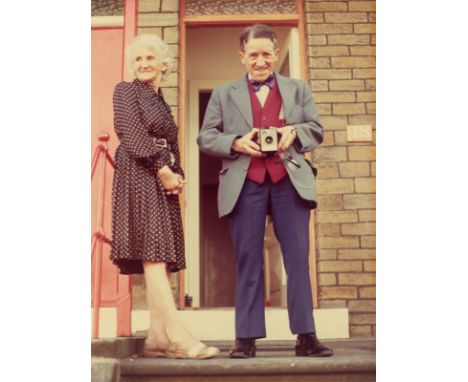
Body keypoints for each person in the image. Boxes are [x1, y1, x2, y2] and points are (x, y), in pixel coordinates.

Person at [197, 24, 333, 358]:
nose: (260, 61)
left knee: (298, 260)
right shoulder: (223, 93)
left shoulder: (298, 89)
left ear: (275, 54)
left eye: (266, 54)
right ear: (242, 56)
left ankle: (306, 336)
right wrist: (236, 142)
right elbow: (206, 136)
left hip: (290, 180)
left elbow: (316, 129)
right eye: (253, 54)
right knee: (248, 259)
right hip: (246, 183)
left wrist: (294, 132)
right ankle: (245, 337)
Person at [110, 34, 219, 359]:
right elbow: (130, 132)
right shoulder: (125, 91)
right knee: (153, 256)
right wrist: (162, 169)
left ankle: (157, 338)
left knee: (163, 258)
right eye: (138, 60)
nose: (143, 64)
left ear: (163, 65)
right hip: (139, 173)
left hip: (162, 178)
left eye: (149, 58)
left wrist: (178, 174)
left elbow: (171, 145)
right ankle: (179, 336)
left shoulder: (161, 101)